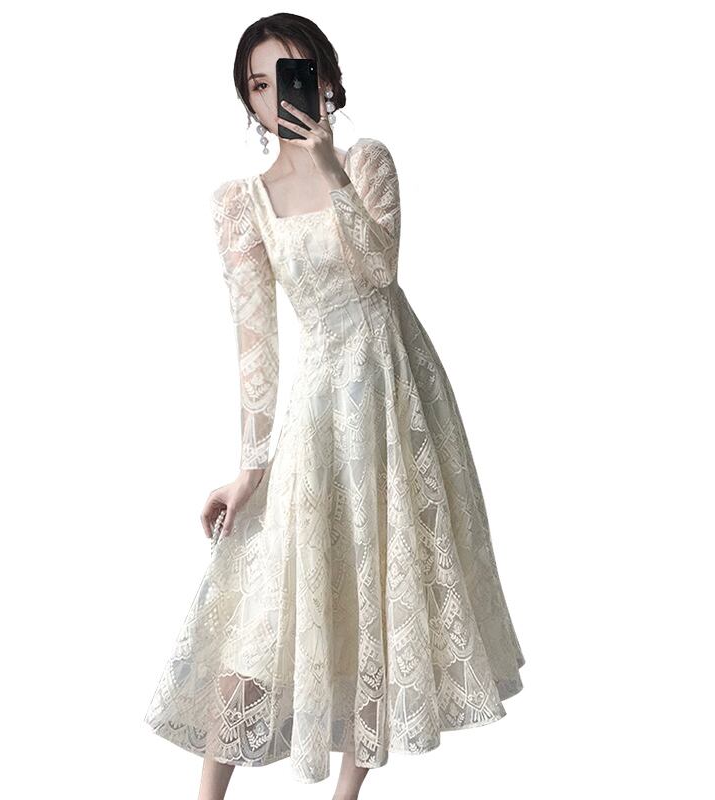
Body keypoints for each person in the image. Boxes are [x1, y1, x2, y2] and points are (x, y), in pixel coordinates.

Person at [144, 13, 525, 800]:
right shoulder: (241, 203)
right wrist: (249, 468)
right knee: (264, 600)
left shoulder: (367, 161)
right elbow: (256, 342)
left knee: (380, 592)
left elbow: (381, 271)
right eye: (258, 84)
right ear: (248, 99)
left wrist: (329, 168)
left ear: (326, 80)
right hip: (319, 407)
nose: (274, 96)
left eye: (291, 75)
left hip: (397, 393)